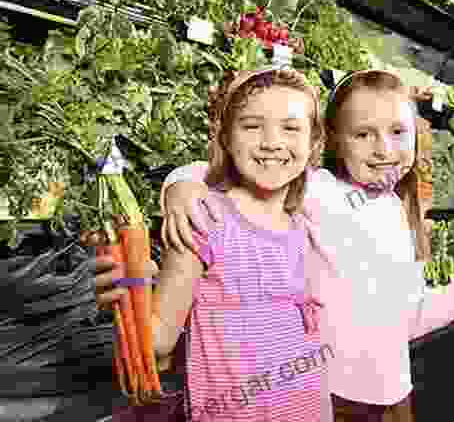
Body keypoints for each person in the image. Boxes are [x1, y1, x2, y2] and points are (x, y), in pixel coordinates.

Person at [97, 70, 454, 422]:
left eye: (397, 133)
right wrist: (181, 187)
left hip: (389, 396)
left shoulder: (397, 211)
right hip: (332, 396)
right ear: (333, 142)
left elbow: (410, 315)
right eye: (363, 134)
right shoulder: (315, 193)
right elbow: (225, 175)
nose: (384, 150)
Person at [99, 67, 335, 422]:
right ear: (224, 136)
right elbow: (159, 339)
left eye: (291, 127)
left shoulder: (301, 224)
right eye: (252, 126)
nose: (271, 141)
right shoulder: (204, 216)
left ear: (314, 142)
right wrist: (130, 290)